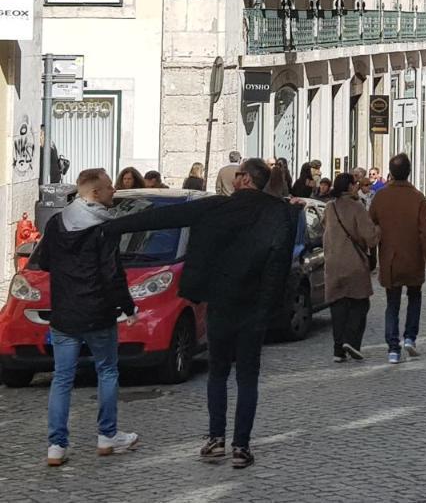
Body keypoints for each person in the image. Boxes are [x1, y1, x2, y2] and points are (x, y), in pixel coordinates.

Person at [104, 158, 295, 469]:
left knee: (218, 373)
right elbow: (280, 266)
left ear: (245, 178)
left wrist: (110, 226)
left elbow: (165, 217)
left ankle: (216, 440)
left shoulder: (217, 207)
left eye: (238, 174)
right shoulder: (280, 214)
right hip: (254, 307)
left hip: (220, 302)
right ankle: (241, 447)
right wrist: (269, 308)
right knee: (248, 378)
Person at [40, 168, 139, 467]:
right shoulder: (103, 228)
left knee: (62, 378)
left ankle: (56, 446)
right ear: (95, 193)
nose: (114, 191)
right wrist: (128, 307)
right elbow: (112, 274)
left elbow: (45, 262)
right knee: (107, 371)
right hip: (97, 312)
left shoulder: (57, 223)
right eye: (109, 187)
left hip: (65, 313)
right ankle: (107, 436)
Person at [370, 154, 426, 363]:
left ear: (390, 172)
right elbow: (425, 233)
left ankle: (393, 348)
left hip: (390, 259)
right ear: (409, 171)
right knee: (414, 297)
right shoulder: (417, 198)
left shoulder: (380, 197)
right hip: (413, 259)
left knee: (392, 304)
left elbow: (369, 226)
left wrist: (371, 255)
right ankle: (410, 337)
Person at [323, 172, 382, 362]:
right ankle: (352, 341)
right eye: (355, 184)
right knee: (360, 303)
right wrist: (379, 229)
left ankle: (337, 350)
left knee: (338, 306)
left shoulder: (329, 208)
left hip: (333, 263)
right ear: (349, 187)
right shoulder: (357, 207)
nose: (356, 186)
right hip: (354, 262)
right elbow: (370, 237)